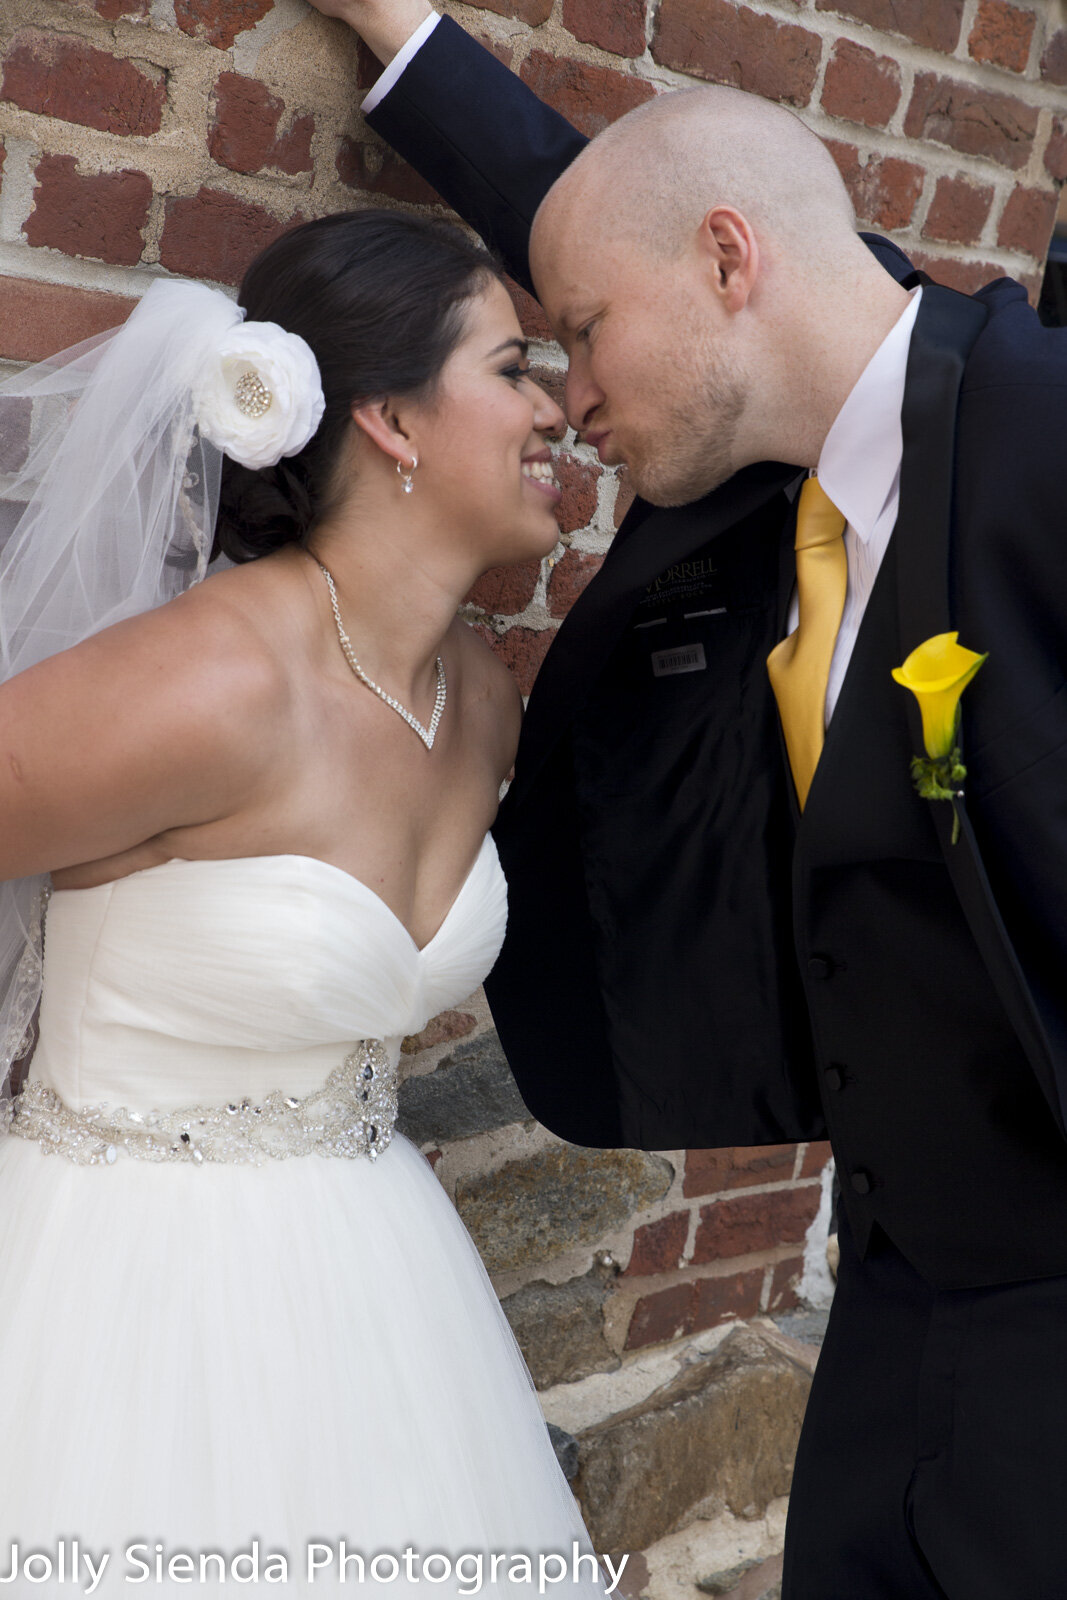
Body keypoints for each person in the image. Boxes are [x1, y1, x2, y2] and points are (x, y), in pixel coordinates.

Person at [305, 5, 1067, 1597]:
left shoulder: (1040, 438)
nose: (569, 391)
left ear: (732, 266)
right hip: (894, 1316)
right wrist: (399, 32)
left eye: (578, 334)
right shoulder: (754, 438)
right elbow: (607, 213)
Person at [0, 208, 615, 1595]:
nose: (561, 404)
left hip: (376, 1284)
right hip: (122, 1298)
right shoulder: (209, 685)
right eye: (515, 366)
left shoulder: (482, 706)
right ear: (391, 421)